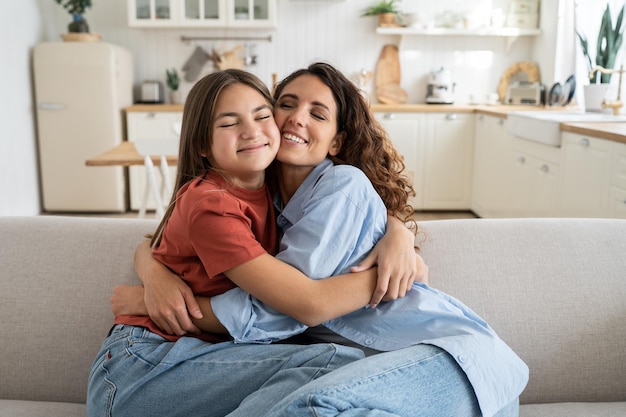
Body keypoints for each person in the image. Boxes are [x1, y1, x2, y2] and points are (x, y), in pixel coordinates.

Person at [122, 63, 529, 417]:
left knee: (308, 406)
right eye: (286, 104)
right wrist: (151, 267)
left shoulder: (342, 185)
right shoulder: (255, 199)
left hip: (452, 359)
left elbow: (289, 308)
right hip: (388, 373)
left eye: (318, 113)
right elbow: (172, 235)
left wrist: (148, 301)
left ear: (335, 143)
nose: (297, 118)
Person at [87, 69, 417, 417]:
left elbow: (153, 244)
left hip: (201, 358)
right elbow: (306, 304)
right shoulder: (211, 203)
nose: (251, 131)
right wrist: (389, 278)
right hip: (143, 367)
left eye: (261, 116)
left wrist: (399, 232)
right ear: (202, 144)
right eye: (230, 123)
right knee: (335, 361)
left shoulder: (271, 191)